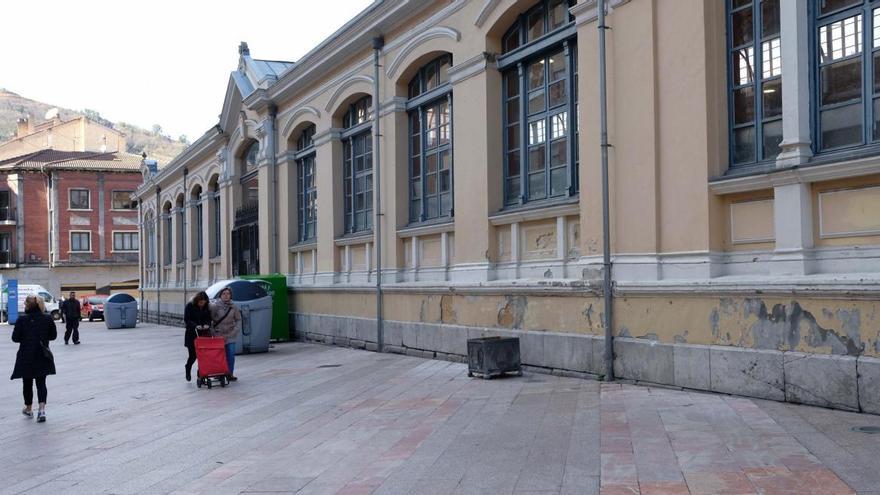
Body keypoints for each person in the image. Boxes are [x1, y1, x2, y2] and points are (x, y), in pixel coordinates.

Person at [10, 295, 57, 423]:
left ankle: (29, 408)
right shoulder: (47, 318)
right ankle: (42, 410)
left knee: (27, 383)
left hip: (26, 355)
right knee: (41, 383)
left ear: (28, 305)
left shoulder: (22, 320)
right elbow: (53, 336)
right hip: (42, 354)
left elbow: (15, 338)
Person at [210, 287, 241, 382]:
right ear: (220, 295)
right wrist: (214, 333)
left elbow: (238, 320)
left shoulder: (234, 307)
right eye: (224, 293)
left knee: (231, 355)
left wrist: (234, 331)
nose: (226, 295)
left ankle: (229, 373)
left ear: (231, 295)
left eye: (228, 293)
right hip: (218, 335)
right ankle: (219, 373)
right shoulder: (215, 306)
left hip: (230, 335)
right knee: (220, 356)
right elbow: (210, 321)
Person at [183, 291, 211, 382]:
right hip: (192, 334)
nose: (202, 304)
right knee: (193, 356)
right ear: (197, 301)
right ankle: (188, 368)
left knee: (203, 356)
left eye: (204, 302)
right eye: (200, 302)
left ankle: (201, 375)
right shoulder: (190, 306)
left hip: (203, 334)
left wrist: (207, 324)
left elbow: (208, 318)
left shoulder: (206, 306)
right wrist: (195, 325)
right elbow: (187, 319)